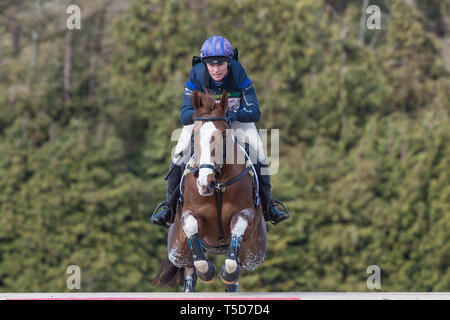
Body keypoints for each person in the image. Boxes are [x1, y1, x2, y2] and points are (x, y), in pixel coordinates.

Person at [152, 35, 289, 228]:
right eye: (211, 65)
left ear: (229, 62)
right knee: (179, 152)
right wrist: (205, 116)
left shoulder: (238, 73)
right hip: (204, 122)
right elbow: (184, 114)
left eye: (221, 64)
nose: (216, 70)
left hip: (234, 121)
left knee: (260, 153)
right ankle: (169, 206)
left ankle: (268, 206)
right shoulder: (197, 74)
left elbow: (255, 112)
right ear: (205, 64)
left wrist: (234, 114)